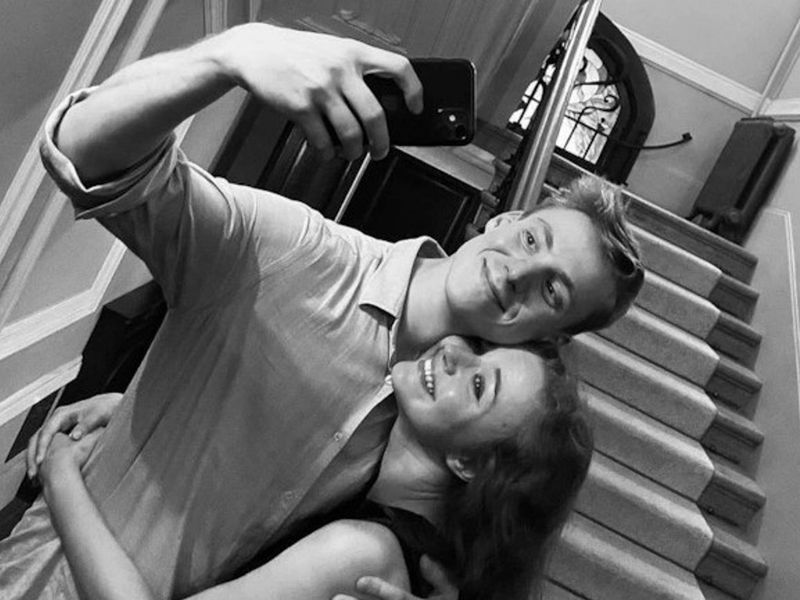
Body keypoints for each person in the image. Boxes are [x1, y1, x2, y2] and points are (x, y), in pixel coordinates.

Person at [0, 22, 641, 600]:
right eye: (531, 239)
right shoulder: (295, 252)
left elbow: (478, 551)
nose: (519, 272)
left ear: (552, 339)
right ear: (503, 220)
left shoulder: (445, 421)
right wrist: (231, 55)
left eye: (553, 292)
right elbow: (83, 152)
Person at [36, 336, 593, 600]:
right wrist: (136, 407)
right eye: (482, 352)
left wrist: (62, 477)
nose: (453, 353)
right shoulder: (381, 496)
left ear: (467, 462)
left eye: (477, 385)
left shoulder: (364, 553)